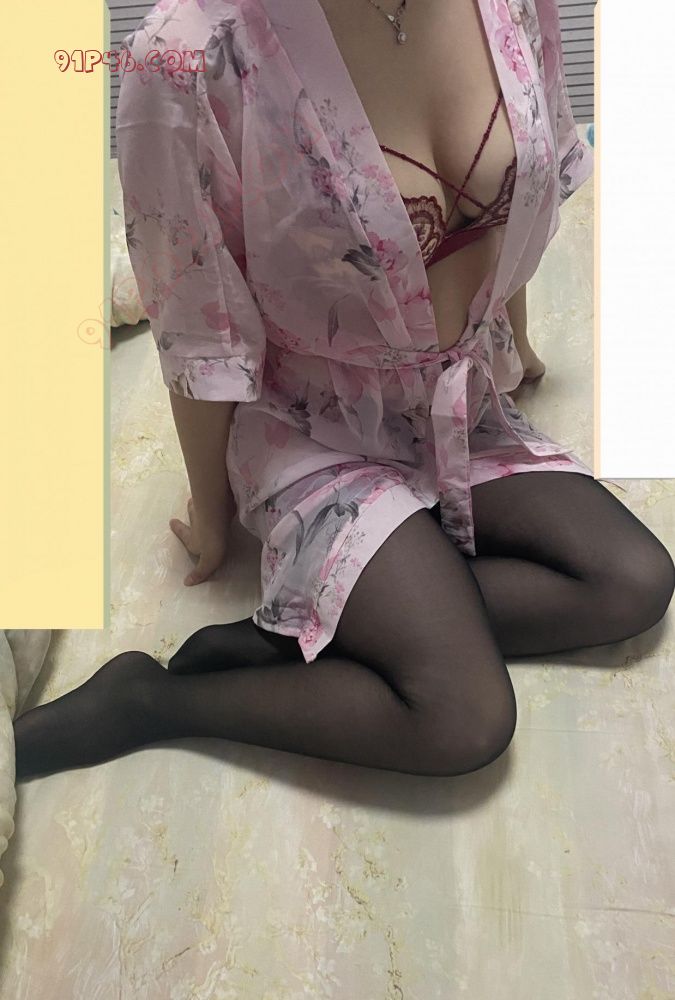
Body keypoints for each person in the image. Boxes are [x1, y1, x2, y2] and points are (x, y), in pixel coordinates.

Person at [14, 0, 674, 781]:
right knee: (461, 716)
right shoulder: (187, 52)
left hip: (460, 397)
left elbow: (517, 189)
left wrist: (515, 343)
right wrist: (213, 517)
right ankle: (150, 703)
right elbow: (196, 324)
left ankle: (296, 632)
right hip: (315, 425)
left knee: (631, 581)